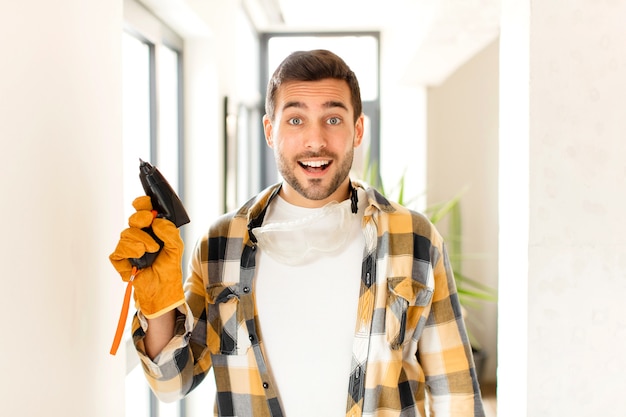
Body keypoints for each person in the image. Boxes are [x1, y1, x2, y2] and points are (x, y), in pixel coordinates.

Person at [110, 49, 486, 417]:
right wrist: (158, 304)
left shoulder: (414, 237)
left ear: (357, 129)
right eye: (295, 120)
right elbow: (172, 384)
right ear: (270, 131)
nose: (315, 141)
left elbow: (457, 398)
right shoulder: (220, 245)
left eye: (333, 119)